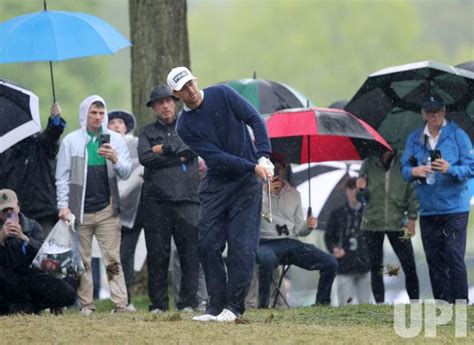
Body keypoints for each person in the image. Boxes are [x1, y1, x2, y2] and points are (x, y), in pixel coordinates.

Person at [169, 67, 273, 322]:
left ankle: (234, 307)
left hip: (246, 184)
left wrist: (263, 154)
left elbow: (255, 119)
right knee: (207, 244)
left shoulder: (223, 94)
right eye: (184, 88)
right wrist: (253, 166)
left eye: (191, 83)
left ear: (196, 80)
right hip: (218, 182)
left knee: (241, 246)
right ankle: (215, 306)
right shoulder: (184, 126)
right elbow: (216, 157)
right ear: (176, 94)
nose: (190, 90)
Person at [56, 95, 132, 315]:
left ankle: (120, 304)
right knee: (83, 260)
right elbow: (62, 176)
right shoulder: (71, 141)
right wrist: (63, 205)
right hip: (78, 210)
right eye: (93, 113)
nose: (98, 117)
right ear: (84, 114)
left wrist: (116, 159)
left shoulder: (114, 140)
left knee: (112, 258)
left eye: (101, 113)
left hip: (108, 208)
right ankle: (86, 304)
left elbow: (126, 173)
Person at [401, 95, 473, 303]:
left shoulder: (458, 135)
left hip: (455, 206)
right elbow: (404, 169)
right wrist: (415, 170)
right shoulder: (415, 138)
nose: (435, 116)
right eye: (431, 113)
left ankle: (460, 303)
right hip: (428, 207)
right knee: (434, 259)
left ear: (444, 111)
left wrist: (450, 169)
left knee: (453, 255)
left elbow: (471, 168)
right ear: (423, 114)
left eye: (439, 112)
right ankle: (442, 305)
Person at [138, 84, 200, 313]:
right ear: (153, 107)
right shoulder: (145, 132)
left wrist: (163, 149)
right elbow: (145, 158)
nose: (165, 106)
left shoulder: (189, 125)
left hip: (188, 199)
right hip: (156, 202)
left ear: (175, 102)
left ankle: (188, 302)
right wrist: (178, 155)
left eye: (168, 101)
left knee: (190, 254)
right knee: (157, 254)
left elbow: (191, 149)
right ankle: (159, 304)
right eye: (159, 102)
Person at [257, 154, 338, 308]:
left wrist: (308, 226)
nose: (274, 172)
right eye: (271, 168)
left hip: (291, 242)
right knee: (266, 259)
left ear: (283, 170)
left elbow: (299, 230)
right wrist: (266, 192)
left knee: (330, 262)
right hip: (266, 242)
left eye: (277, 168)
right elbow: (258, 215)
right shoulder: (257, 192)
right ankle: (263, 304)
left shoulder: (294, 194)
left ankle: (322, 303)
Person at [356, 146, 420, 303]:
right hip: (372, 223)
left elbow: (413, 191)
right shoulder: (368, 163)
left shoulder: (405, 162)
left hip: (398, 222)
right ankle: (380, 304)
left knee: (409, 265)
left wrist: (412, 217)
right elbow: (361, 198)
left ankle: (415, 303)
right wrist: (361, 190)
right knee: (376, 267)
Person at [0, 189, 76, 315]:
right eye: (4, 211)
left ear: (18, 207)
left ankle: (28, 306)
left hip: (31, 276)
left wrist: (24, 238)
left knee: (67, 293)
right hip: (6, 279)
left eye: (11, 209)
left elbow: (44, 256)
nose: (9, 213)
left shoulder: (32, 225)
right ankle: (19, 307)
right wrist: (2, 236)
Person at [0, 102, 66, 235]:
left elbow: (52, 134)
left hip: (42, 210)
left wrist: (55, 119)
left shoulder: (39, 143)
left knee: (44, 250)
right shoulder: (5, 149)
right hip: (13, 211)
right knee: (15, 249)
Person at [108, 110, 144, 312]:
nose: (116, 125)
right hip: (110, 210)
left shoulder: (135, 144)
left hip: (135, 210)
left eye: (120, 122)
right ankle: (118, 298)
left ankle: (126, 298)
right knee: (115, 255)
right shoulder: (103, 146)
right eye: (112, 122)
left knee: (126, 254)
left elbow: (138, 170)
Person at [325, 178, 372, 306]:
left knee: (366, 306)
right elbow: (329, 237)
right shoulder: (337, 214)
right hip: (344, 267)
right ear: (346, 191)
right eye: (350, 189)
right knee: (345, 306)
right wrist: (334, 248)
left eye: (356, 189)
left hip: (365, 266)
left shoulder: (368, 213)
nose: (353, 193)